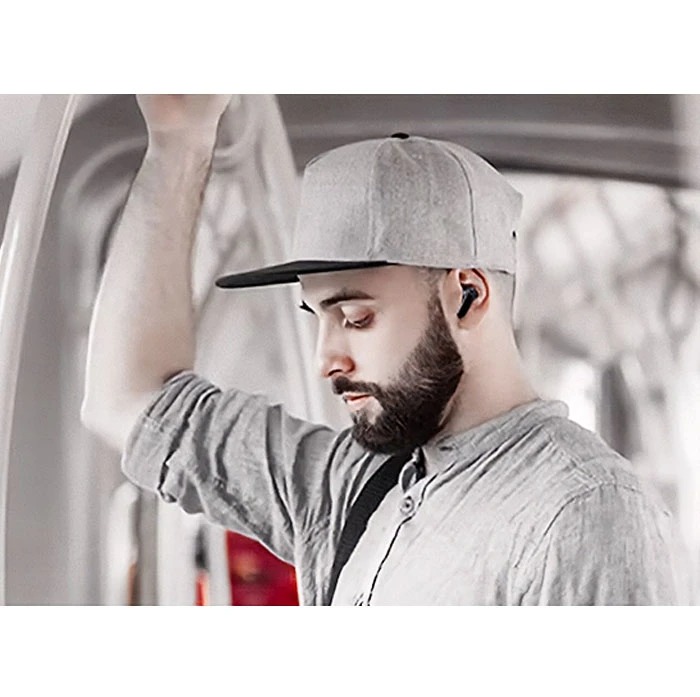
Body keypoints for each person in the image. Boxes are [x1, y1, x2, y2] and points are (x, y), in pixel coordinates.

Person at [82, 95, 684, 605]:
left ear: (468, 296)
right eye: (318, 317)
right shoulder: (356, 485)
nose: (326, 361)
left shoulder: (586, 515)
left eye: (355, 317)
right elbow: (128, 400)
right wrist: (180, 142)